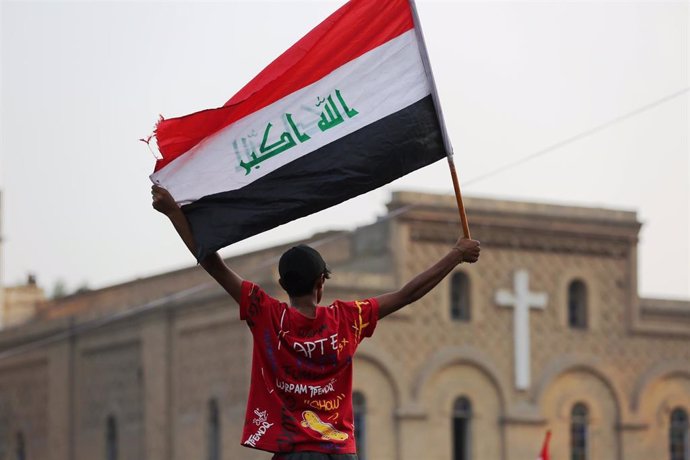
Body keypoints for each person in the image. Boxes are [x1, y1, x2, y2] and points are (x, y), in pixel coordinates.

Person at [151, 184, 480, 460]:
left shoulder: (266, 314)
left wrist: (173, 213)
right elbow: (408, 293)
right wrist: (456, 255)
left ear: (282, 286)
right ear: (321, 283)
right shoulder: (347, 319)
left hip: (290, 452)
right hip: (337, 452)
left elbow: (213, 263)